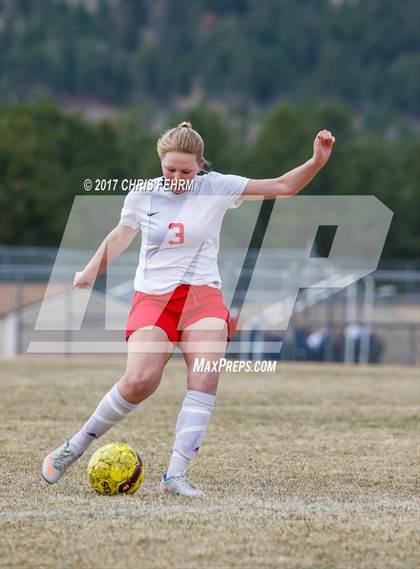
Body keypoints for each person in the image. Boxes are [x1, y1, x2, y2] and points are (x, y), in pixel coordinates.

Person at [41, 121, 335, 496]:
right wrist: (89, 271)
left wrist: (316, 161)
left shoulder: (217, 187)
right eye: (170, 169)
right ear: (160, 162)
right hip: (154, 298)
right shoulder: (142, 195)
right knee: (139, 381)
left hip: (202, 296)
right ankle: (75, 446)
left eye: (186, 170)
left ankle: (175, 475)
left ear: (200, 165)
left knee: (206, 373)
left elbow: (282, 186)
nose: (178, 177)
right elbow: (120, 236)